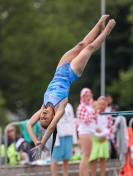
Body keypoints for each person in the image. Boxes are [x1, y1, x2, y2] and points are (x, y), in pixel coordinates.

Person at [26, 15, 116, 158]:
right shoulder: (60, 109)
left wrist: (35, 141)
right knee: (89, 48)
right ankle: (107, 30)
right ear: (52, 118)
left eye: (41, 118)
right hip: (70, 74)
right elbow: (50, 127)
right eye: (45, 118)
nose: (42, 115)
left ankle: (99, 25)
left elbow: (28, 125)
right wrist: (42, 143)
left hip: (59, 69)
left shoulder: (43, 106)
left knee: (81, 45)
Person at [51, 103, 77, 176]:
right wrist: (55, 138)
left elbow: (72, 121)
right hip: (59, 135)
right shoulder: (53, 105)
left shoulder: (69, 106)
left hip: (68, 134)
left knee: (66, 158)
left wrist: (74, 138)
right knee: (55, 158)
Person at [89, 96, 113, 176]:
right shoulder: (94, 114)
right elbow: (90, 124)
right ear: (97, 104)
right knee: (94, 159)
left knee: (103, 159)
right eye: (100, 104)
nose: (102, 106)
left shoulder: (108, 115)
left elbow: (111, 127)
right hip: (95, 138)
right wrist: (95, 129)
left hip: (104, 139)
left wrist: (106, 137)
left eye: (103, 104)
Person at [76, 88, 97, 176]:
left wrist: (94, 110)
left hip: (89, 132)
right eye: (86, 96)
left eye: (90, 95)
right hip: (85, 132)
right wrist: (94, 111)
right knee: (86, 156)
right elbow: (86, 120)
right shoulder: (81, 107)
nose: (88, 97)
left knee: (86, 156)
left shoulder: (89, 107)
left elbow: (95, 120)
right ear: (82, 97)